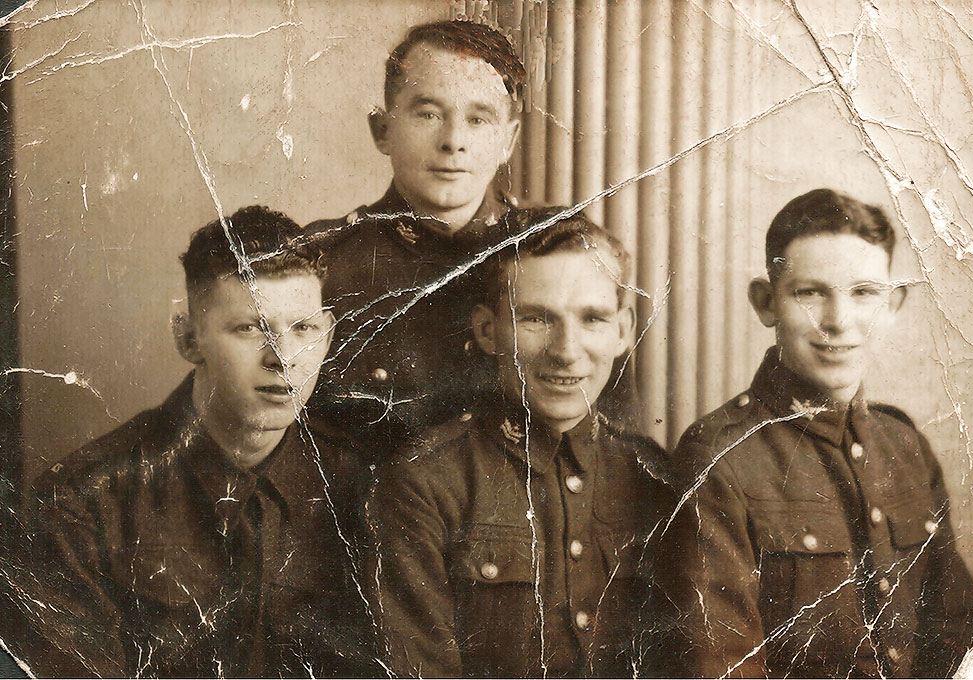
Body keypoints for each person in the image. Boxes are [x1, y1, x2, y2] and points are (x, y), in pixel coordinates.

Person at [14, 206, 377, 677]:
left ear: (328, 336)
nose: (283, 358)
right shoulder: (81, 504)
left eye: (303, 329)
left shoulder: (363, 486)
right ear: (188, 338)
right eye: (251, 328)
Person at [667, 188, 973, 678]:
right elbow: (721, 664)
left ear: (892, 304)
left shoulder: (903, 445)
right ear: (766, 302)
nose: (838, 321)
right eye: (810, 292)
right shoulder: (721, 457)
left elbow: (966, 637)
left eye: (863, 293)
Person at [367, 210, 678, 677]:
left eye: (592, 318)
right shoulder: (425, 482)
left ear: (622, 330)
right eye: (536, 318)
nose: (567, 350)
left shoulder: (652, 472)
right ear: (488, 330)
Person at [304, 20, 527, 461]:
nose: (453, 142)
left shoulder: (553, 258)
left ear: (509, 140)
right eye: (428, 114)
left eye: (478, 119)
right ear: (382, 130)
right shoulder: (319, 262)